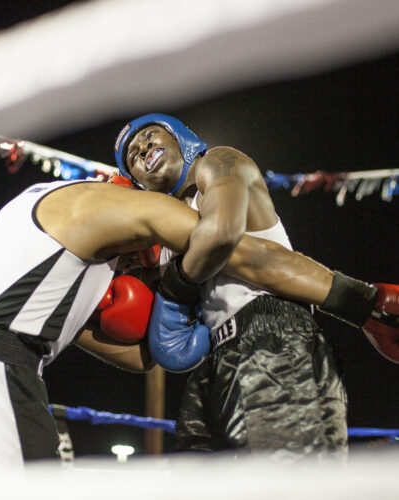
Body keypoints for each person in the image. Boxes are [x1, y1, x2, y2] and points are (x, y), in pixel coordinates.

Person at [0, 176, 345, 468]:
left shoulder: (52, 237)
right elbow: (233, 248)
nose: (140, 271)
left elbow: (143, 357)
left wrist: (170, 313)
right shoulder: (105, 203)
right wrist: (358, 300)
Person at [113, 113, 399, 460]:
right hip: (216, 361)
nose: (143, 149)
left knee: (286, 482)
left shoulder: (220, 162)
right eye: (133, 157)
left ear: (181, 138)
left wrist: (174, 287)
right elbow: (148, 347)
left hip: (273, 338)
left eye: (150, 136)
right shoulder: (167, 237)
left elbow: (221, 233)